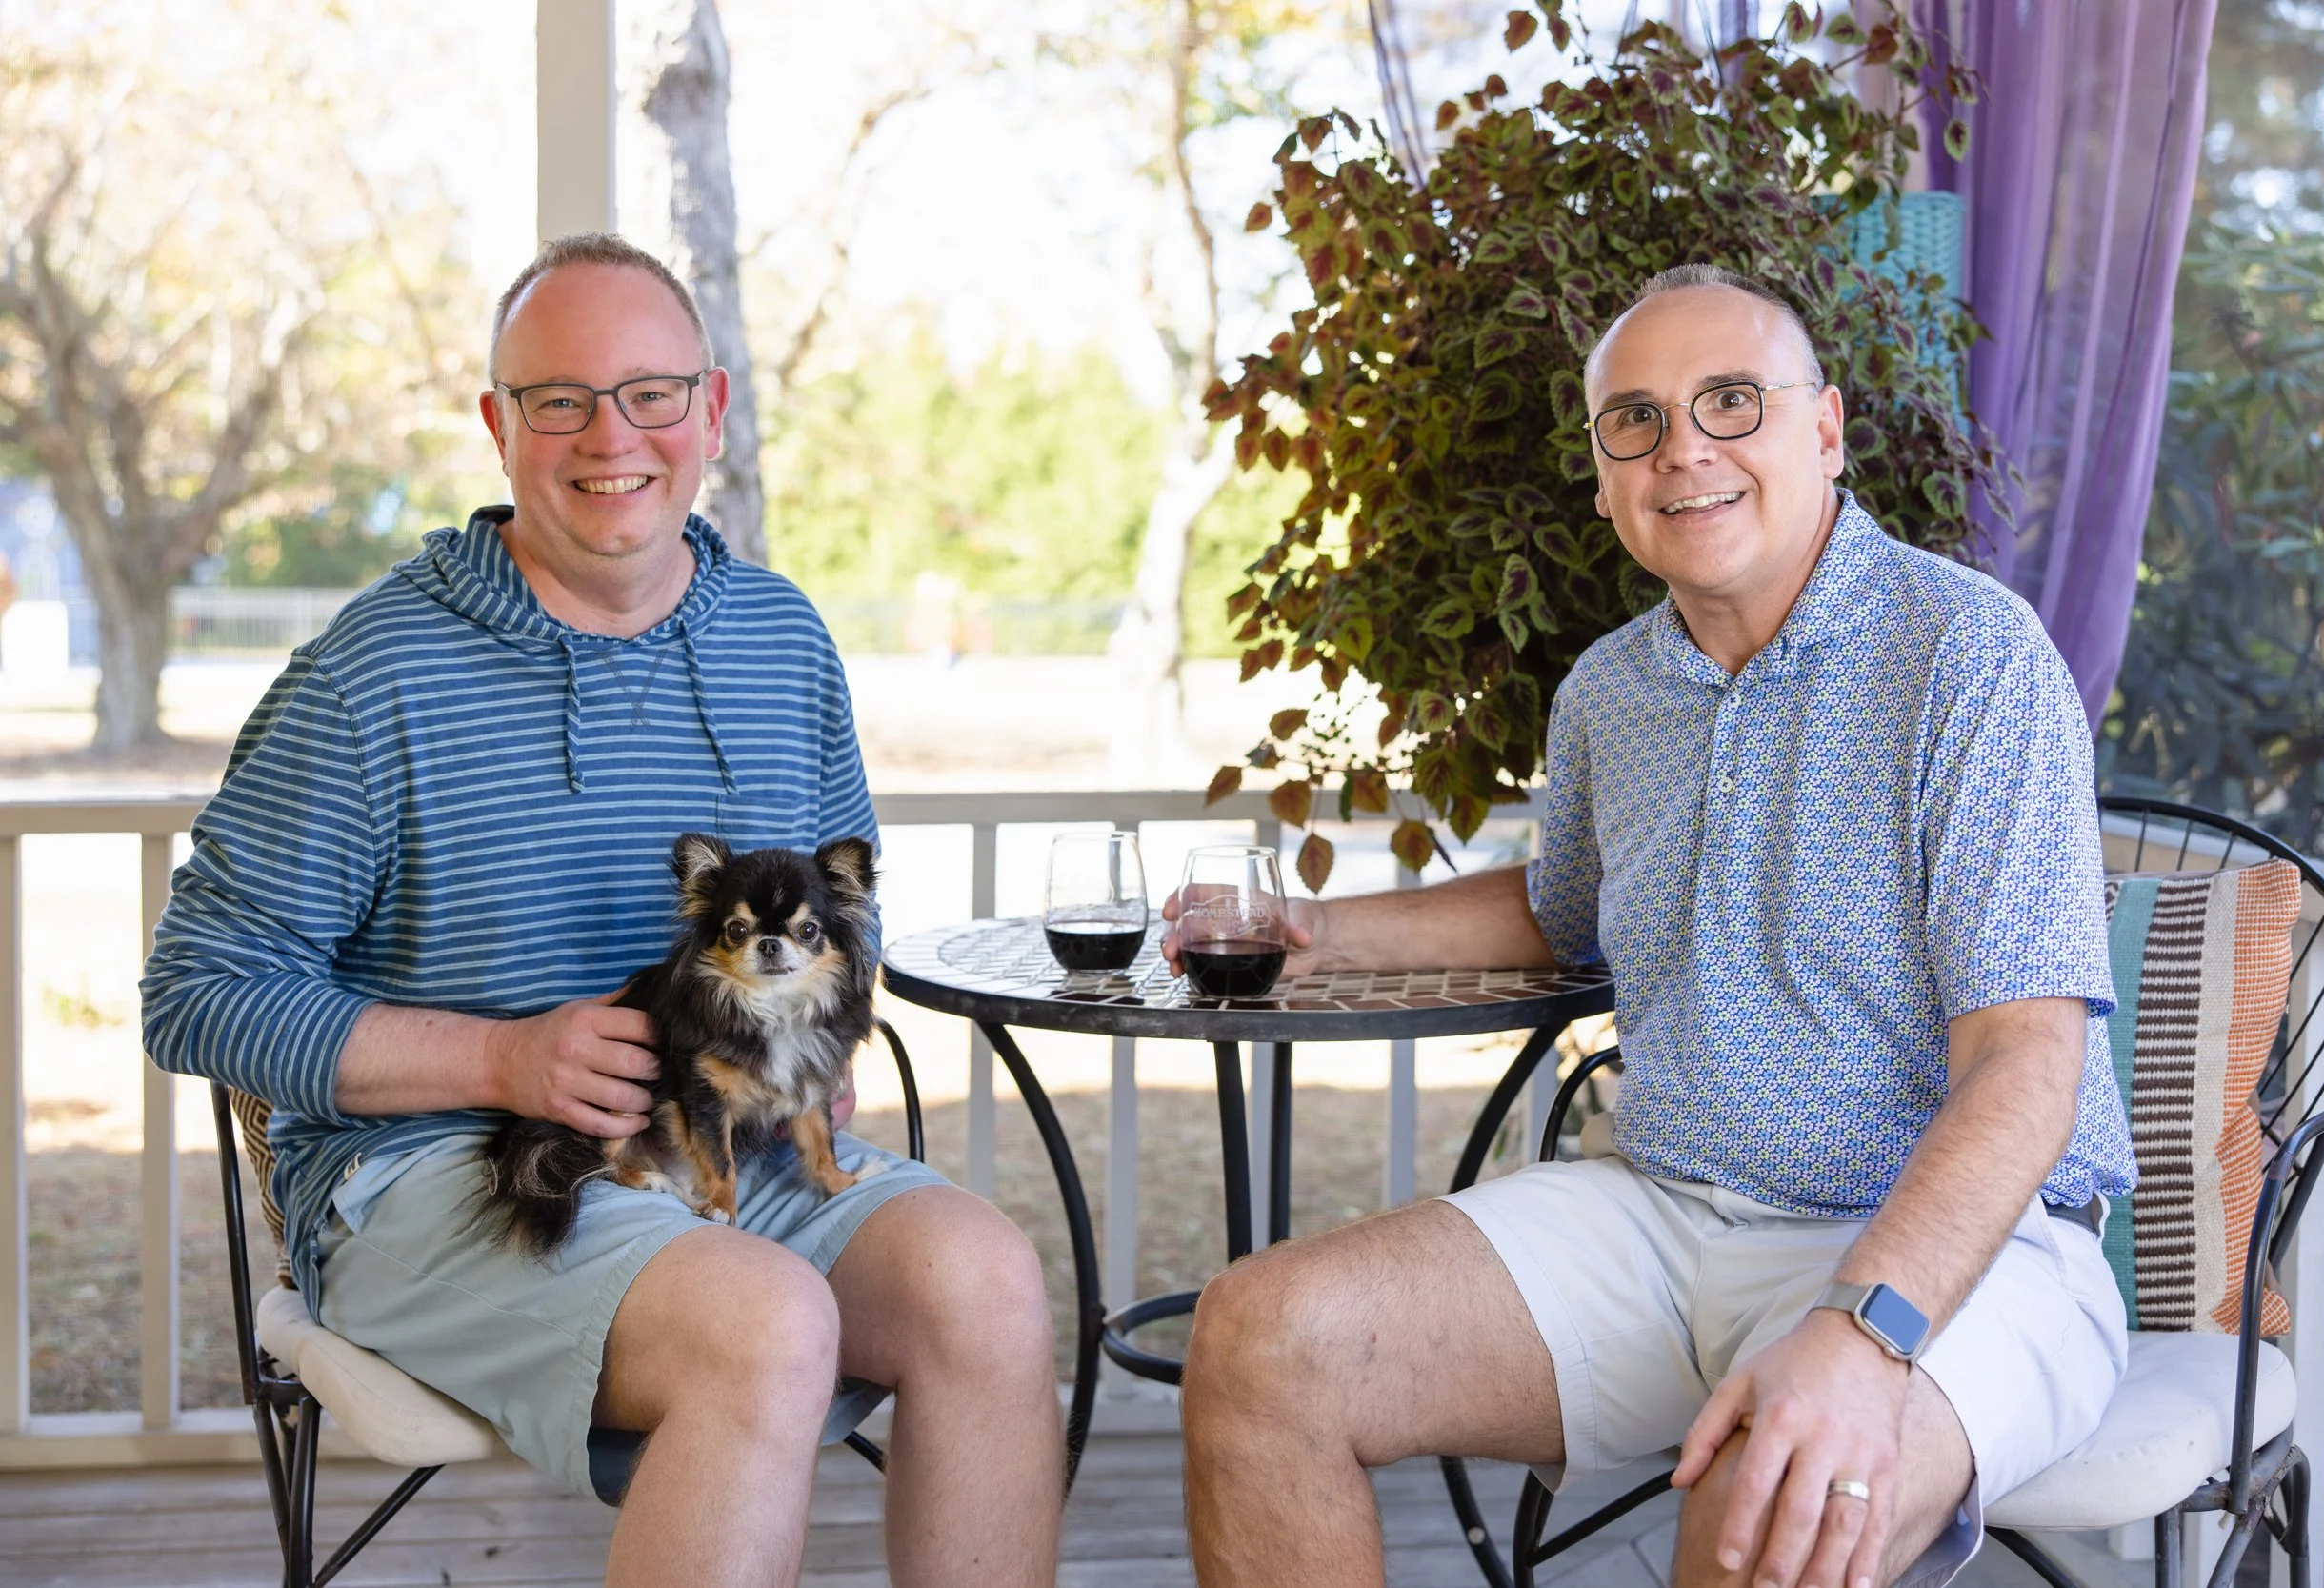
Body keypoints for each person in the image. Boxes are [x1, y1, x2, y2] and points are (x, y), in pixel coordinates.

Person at [1170, 265, 2134, 1588]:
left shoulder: (1970, 657)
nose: (1685, 448)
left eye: (1732, 401)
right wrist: (1309, 926)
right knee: (1261, 1334)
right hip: (1665, 1213)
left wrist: (1864, 1330)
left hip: (1964, 1257)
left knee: (1770, 1509)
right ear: (1606, 469)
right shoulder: (1612, 691)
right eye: (1638, 419)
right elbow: (1553, 907)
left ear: (1826, 429)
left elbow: (2028, 1062)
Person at [141, 232, 1065, 1588]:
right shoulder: (367, 677)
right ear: (497, 425)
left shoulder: (781, 639)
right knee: (766, 1324)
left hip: (728, 1153)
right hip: (446, 1172)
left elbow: (841, 919)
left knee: (986, 1280)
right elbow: (195, 990)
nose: (606, 433)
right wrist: (501, 1057)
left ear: (711, 408)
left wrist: (806, 1051)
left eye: (647, 392)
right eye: (558, 397)